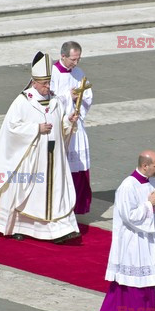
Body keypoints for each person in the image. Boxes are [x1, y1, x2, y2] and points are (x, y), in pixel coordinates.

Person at [0, 51, 81, 244]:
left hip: (53, 158)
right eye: (44, 84)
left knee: (55, 191)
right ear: (34, 82)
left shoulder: (56, 100)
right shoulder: (23, 101)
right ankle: (18, 227)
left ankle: (60, 230)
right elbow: (12, 128)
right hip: (31, 157)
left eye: (49, 83)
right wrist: (36, 128)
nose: (48, 87)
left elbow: (61, 127)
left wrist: (68, 120)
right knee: (27, 193)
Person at [98, 150, 155, 311]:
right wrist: (150, 204)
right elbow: (129, 217)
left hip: (148, 241)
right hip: (133, 243)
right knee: (139, 286)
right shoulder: (127, 186)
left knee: (128, 284)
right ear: (145, 165)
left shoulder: (153, 183)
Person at [50, 41, 93, 214]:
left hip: (76, 123)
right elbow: (48, 99)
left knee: (80, 164)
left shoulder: (78, 72)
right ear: (63, 56)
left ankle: (79, 205)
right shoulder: (52, 73)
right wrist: (69, 96)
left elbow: (88, 95)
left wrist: (78, 99)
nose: (76, 63)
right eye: (73, 59)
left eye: (78, 59)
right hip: (60, 126)